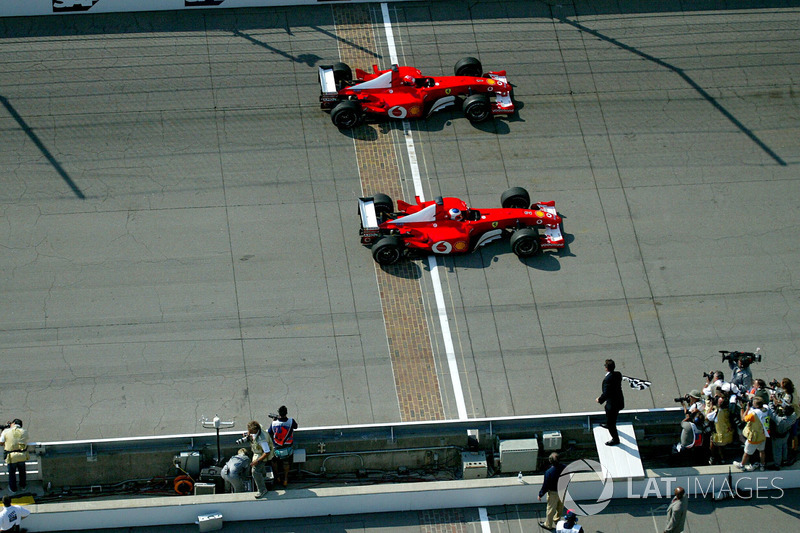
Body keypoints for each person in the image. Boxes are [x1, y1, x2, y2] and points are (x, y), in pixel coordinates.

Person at [734, 397, 769, 471]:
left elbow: (743, 418)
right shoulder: (766, 409)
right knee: (762, 451)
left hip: (754, 437)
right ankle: (762, 465)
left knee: (747, 452)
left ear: (756, 405)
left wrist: (744, 408)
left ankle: (742, 465)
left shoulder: (753, 414)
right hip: (763, 435)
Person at [269, 406, 298, 488]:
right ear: (286, 412)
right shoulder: (291, 421)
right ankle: (285, 479)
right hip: (288, 447)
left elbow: (270, 432)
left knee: (274, 462)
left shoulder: (274, 423)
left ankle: (277, 477)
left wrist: (273, 421)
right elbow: (296, 426)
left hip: (277, 448)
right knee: (286, 462)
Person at [596, 359, 624, 446]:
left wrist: (599, 399)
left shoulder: (607, 380)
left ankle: (615, 439)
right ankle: (608, 424)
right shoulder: (618, 374)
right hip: (619, 401)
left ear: (607, 368)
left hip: (612, 405)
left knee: (612, 423)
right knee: (612, 418)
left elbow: (606, 393)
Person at [244, 420, 274, 499]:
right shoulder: (258, 428)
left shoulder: (262, 439)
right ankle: (264, 477)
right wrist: (248, 435)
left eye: (250, 431)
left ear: (255, 430)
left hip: (262, 455)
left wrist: (257, 461)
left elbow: (266, 452)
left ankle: (262, 490)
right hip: (258, 451)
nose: (249, 432)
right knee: (261, 469)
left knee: (255, 471)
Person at [537, 453, 565, 530]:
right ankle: (557, 519)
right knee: (560, 506)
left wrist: (540, 494)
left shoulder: (549, 472)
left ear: (550, 461)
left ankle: (548, 525)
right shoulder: (565, 468)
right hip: (563, 491)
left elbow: (545, 485)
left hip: (553, 493)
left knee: (550, 509)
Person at [0, 420, 28, 494]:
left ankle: (13, 488)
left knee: (12, 473)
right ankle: (23, 486)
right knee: (22, 472)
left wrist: (4, 430)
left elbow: (1, 442)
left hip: (11, 456)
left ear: (13, 423)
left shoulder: (6, 431)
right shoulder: (24, 431)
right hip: (22, 455)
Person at [705, 392, 733, 464]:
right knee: (720, 446)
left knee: (712, 440)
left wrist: (711, 406)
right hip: (728, 435)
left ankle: (712, 457)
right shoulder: (728, 410)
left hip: (721, 438)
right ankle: (722, 458)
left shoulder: (717, 412)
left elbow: (707, 417)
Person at [768, 405, 796, 470]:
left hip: (778, 437)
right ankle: (784, 460)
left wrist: (771, 403)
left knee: (777, 451)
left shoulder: (780, 420)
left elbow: (771, 413)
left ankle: (777, 465)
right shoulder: (794, 416)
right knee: (784, 448)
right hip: (786, 435)